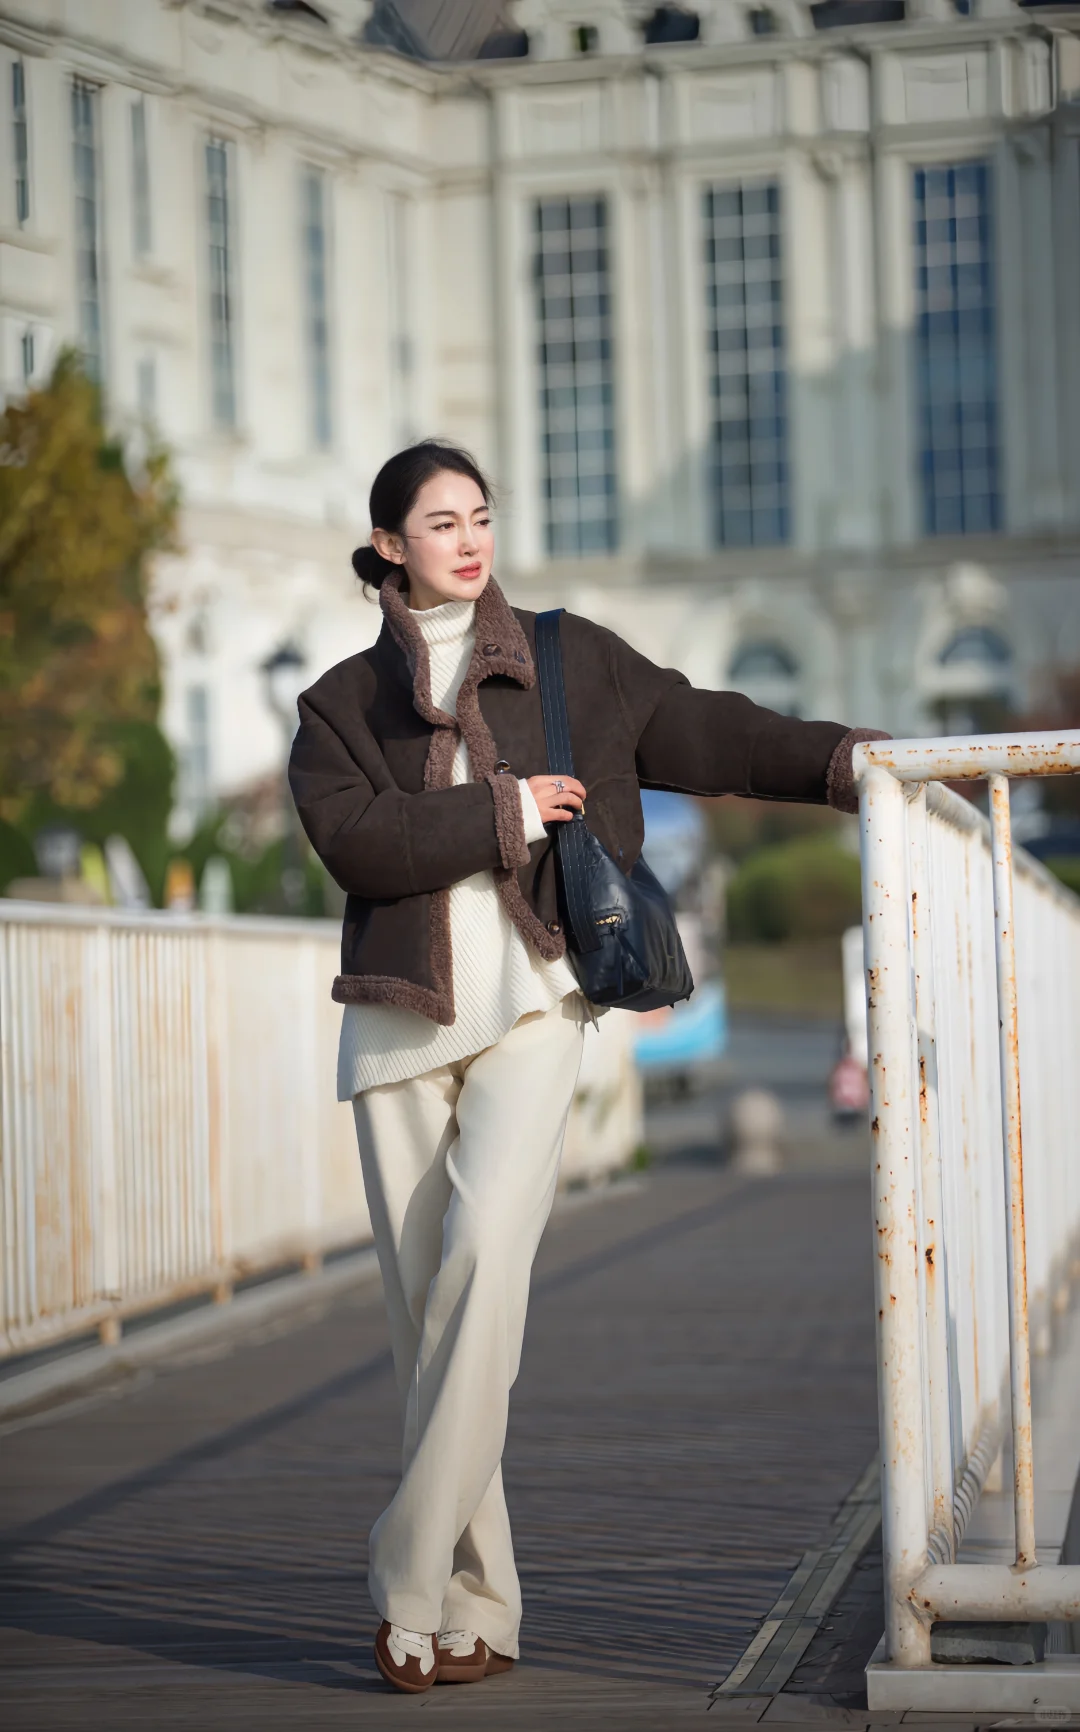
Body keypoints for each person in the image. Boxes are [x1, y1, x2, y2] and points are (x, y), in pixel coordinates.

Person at [289, 440, 887, 1693]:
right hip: (399, 1025)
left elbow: (712, 731)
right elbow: (358, 843)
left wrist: (846, 765)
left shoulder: (571, 658)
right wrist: (502, 814)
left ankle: (403, 1580)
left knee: (485, 1261)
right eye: (440, 521)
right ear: (389, 545)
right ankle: (481, 1607)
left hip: (541, 1000)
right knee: (434, 1325)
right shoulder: (338, 704)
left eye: (482, 515)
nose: (469, 537)